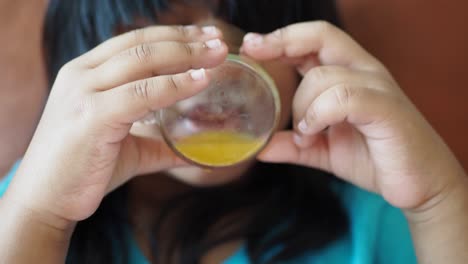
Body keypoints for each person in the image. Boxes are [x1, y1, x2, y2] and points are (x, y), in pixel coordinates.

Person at [1, 0, 467, 263]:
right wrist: (42, 218)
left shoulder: (374, 218)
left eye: (247, 28)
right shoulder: (28, 201)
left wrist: (438, 203)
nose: (215, 56)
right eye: (163, 33)